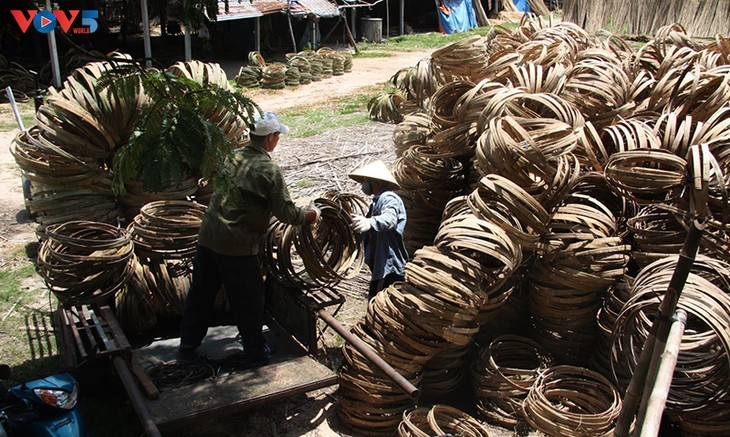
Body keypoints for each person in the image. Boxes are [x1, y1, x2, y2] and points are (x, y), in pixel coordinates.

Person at [178, 111, 320, 367]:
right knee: (249, 300)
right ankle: (255, 352)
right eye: (277, 136)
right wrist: (309, 215)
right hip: (237, 246)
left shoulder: (232, 156)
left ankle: (188, 344)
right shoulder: (268, 169)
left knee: (200, 293)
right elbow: (286, 213)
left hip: (209, 237)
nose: (277, 141)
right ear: (270, 138)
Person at [349, 160, 408, 298]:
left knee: (380, 304)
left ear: (375, 181)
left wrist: (370, 222)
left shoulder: (389, 198)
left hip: (389, 266)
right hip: (381, 265)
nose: (363, 185)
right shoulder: (377, 201)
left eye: (365, 180)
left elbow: (390, 219)